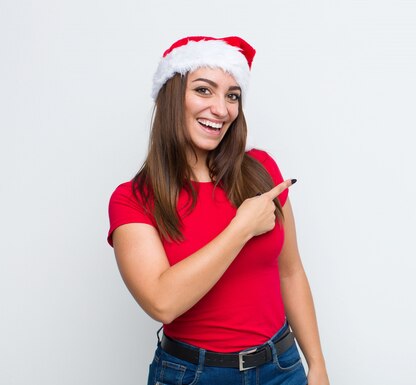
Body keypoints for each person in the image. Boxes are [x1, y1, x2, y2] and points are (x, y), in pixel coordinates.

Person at [107, 36, 329, 385]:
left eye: (232, 95)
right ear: (172, 97)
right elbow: (162, 302)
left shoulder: (261, 169)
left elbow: (290, 272)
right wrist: (241, 228)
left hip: (281, 368)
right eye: (204, 90)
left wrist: (316, 364)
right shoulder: (133, 199)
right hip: (192, 375)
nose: (221, 109)